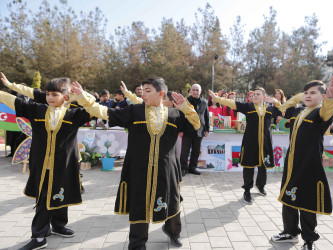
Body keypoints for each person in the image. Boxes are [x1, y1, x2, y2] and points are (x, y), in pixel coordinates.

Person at [71, 77, 200, 250]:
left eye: (148, 91)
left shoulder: (174, 114)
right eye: (143, 90)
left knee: (171, 201)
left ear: (161, 93)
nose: (143, 94)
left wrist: (185, 107)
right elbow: (104, 111)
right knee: (139, 204)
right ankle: (137, 242)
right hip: (139, 168)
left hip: (167, 169)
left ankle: (173, 232)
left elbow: (196, 124)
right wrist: (83, 97)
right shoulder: (135, 111)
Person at [0, 73, 92, 250]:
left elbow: (95, 109)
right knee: (44, 199)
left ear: (66, 97)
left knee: (61, 193)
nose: (49, 98)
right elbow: (12, 100)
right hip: (42, 165)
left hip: (64, 164)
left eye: (54, 94)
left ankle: (58, 225)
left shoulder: (74, 114)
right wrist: (8, 86)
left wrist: (82, 95)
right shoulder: (38, 110)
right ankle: (39, 236)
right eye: (48, 94)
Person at [271, 76, 333, 250]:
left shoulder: (320, 113)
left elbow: (327, 111)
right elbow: (285, 115)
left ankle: (309, 240)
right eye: (306, 93)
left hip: (309, 166)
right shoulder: (298, 111)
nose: (308, 96)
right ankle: (290, 232)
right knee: (288, 197)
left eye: (313, 93)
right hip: (292, 163)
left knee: (307, 203)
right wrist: (291, 103)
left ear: (322, 97)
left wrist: (332, 99)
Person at [209, 87, 281, 204]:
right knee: (249, 167)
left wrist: (276, 102)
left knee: (263, 166)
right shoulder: (248, 107)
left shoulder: (270, 109)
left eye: (258, 94)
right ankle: (247, 191)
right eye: (254, 94)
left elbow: (283, 110)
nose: (255, 96)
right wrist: (218, 99)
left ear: (264, 96)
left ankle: (260, 185)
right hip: (250, 143)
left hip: (265, 143)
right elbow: (232, 103)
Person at [180, 83, 209, 176]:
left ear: (200, 91)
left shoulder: (204, 102)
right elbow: (180, 116)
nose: (195, 92)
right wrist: (180, 130)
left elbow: (206, 116)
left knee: (196, 151)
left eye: (197, 90)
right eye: (194, 90)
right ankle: (183, 168)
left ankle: (192, 168)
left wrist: (207, 129)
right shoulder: (185, 102)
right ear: (190, 91)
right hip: (187, 130)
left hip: (199, 131)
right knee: (185, 151)